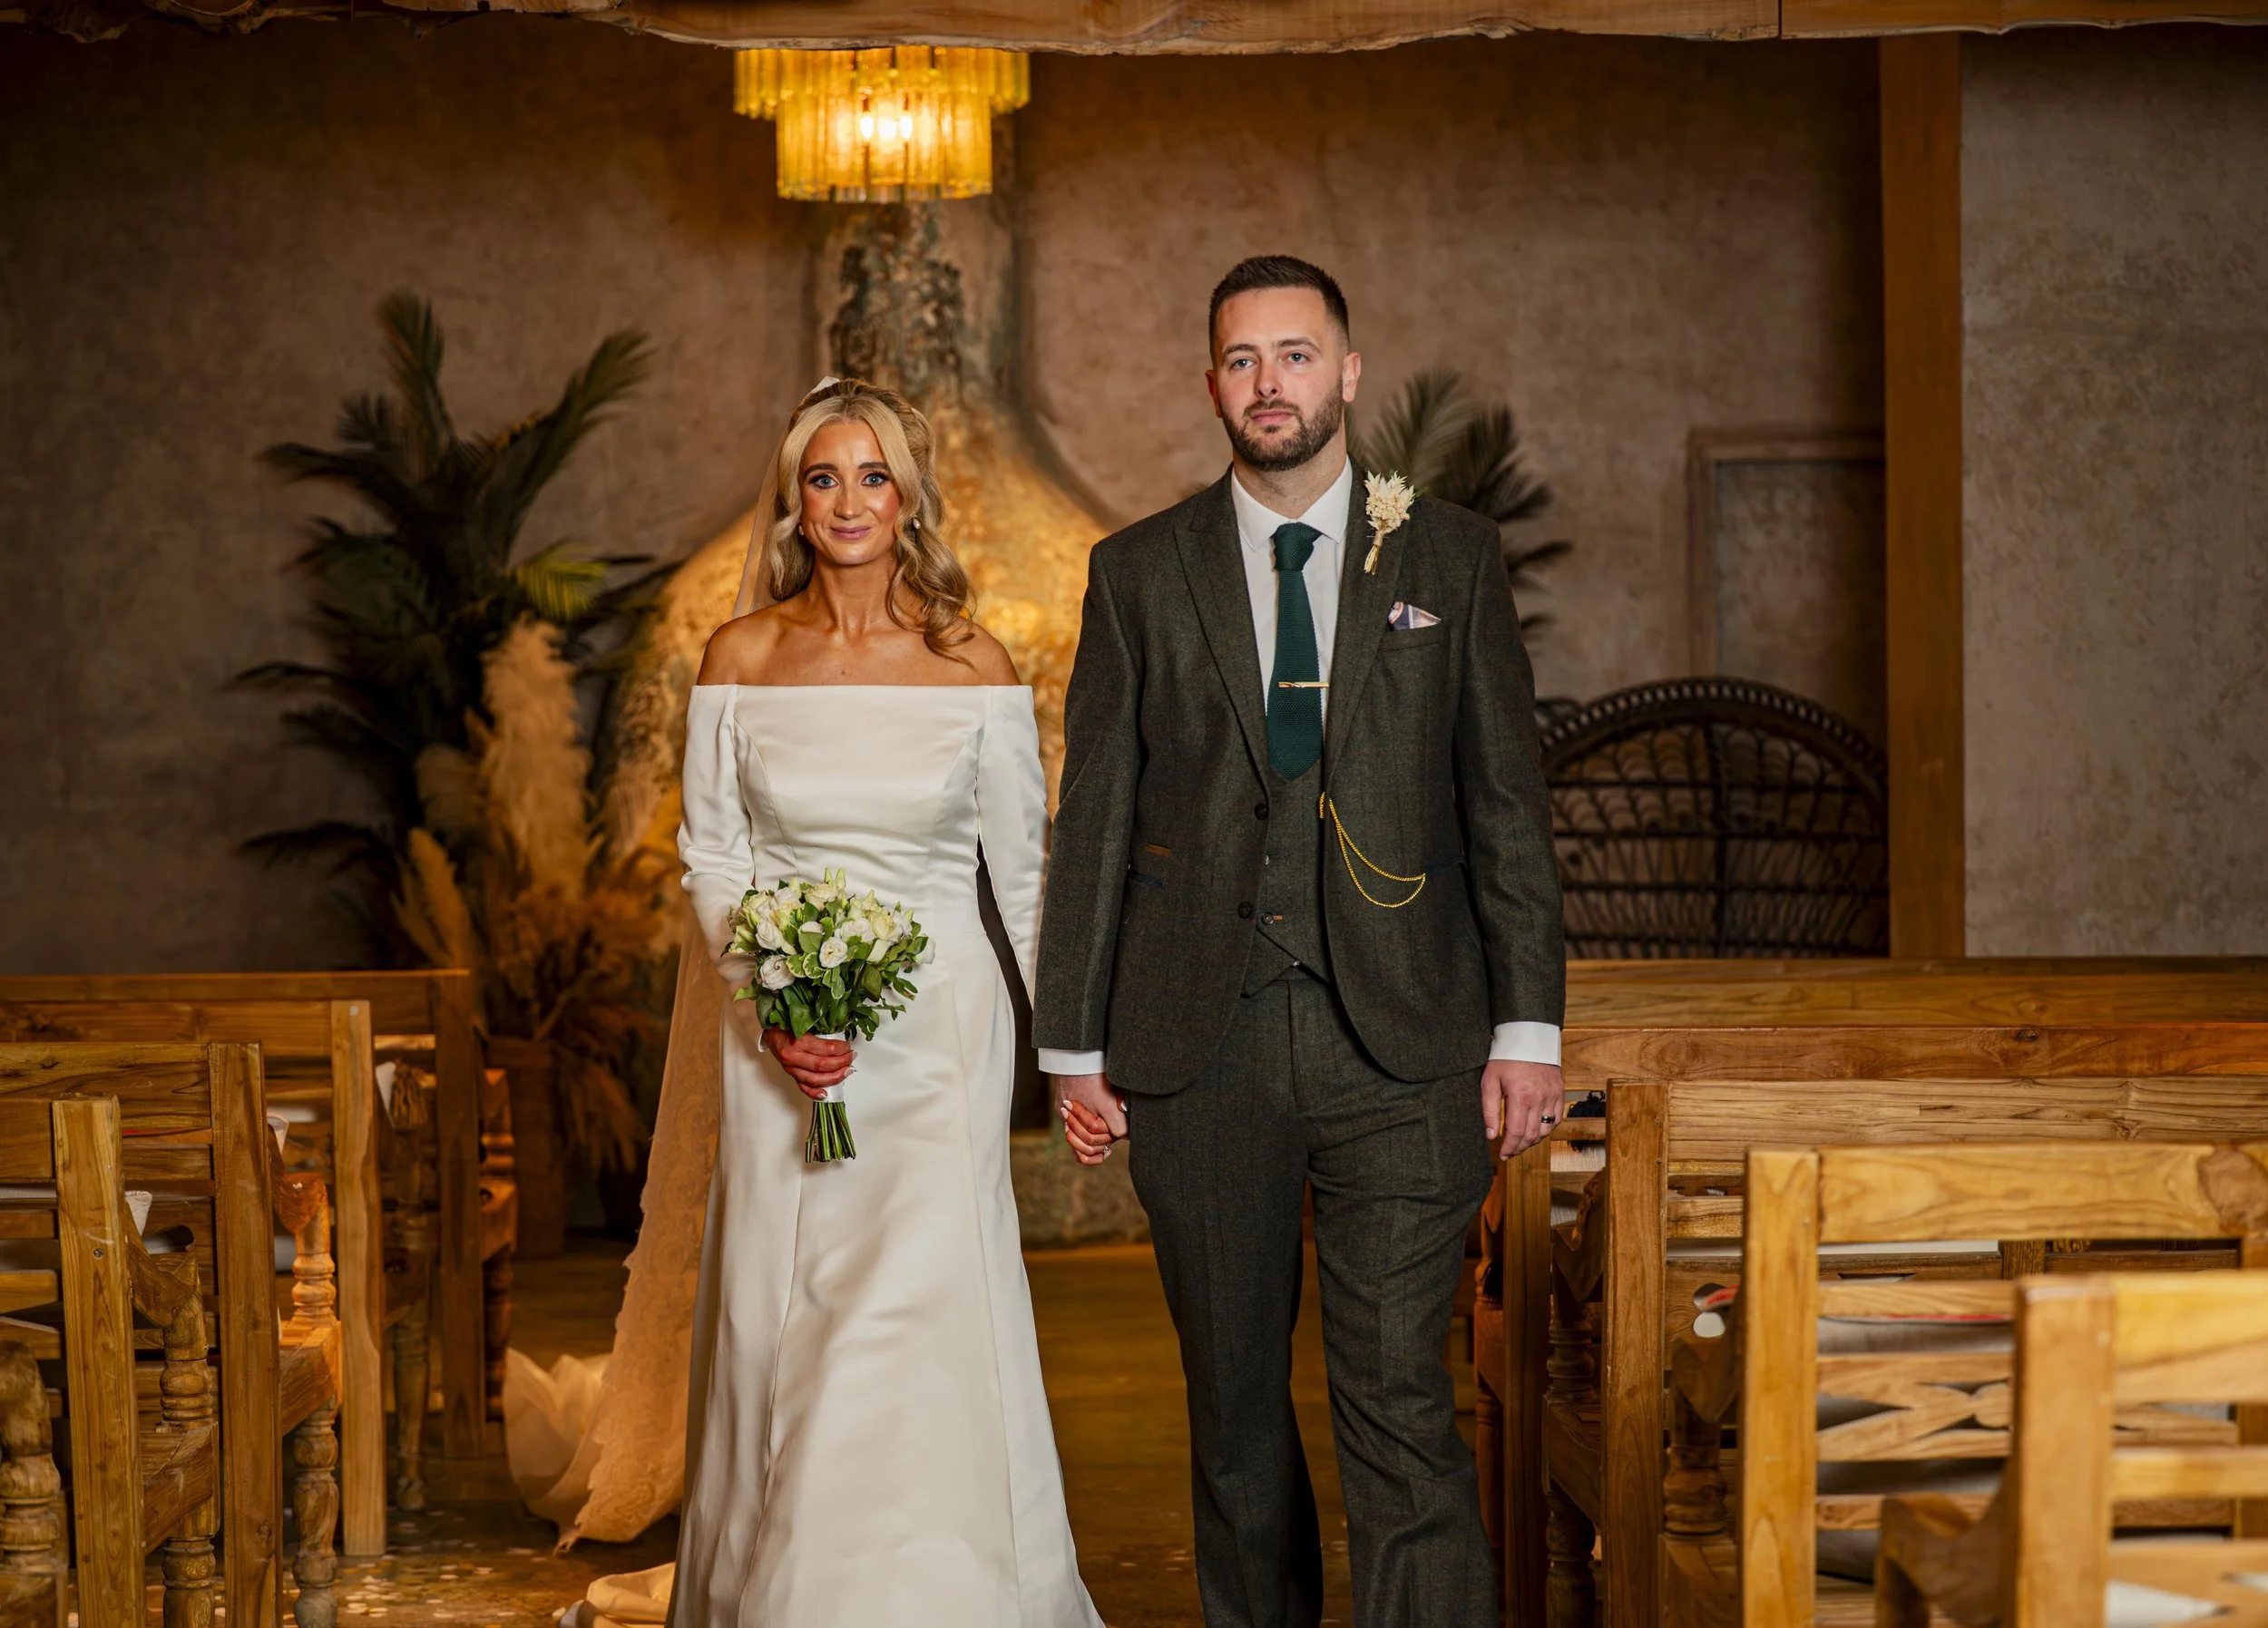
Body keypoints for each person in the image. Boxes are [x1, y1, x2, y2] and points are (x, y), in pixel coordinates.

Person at [1036, 256, 1567, 1628]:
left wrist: (1527, 1027)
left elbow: (1502, 796)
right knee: (1233, 1419)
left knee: (1398, 1395)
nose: (1268, 381)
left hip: (1405, 1039)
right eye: (1240, 358)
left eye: (1294, 353)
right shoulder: (1137, 571)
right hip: (1195, 1040)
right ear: (1211, 383)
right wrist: (1073, 1044)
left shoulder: (1444, 554)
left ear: (1346, 372)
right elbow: (1091, 812)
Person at [663, 377, 1103, 1626]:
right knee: (783, 1304)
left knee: (915, 1304)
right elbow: (713, 859)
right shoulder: (737, 658)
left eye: (871, 475)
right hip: (779, 1039)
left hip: (936, 1036)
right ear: (794, 502)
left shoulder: (975, 662)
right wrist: (771, 1003)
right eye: (822, 476)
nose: (847, 500)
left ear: (908, 497)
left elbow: (1024, 875)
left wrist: (1071, 1056)